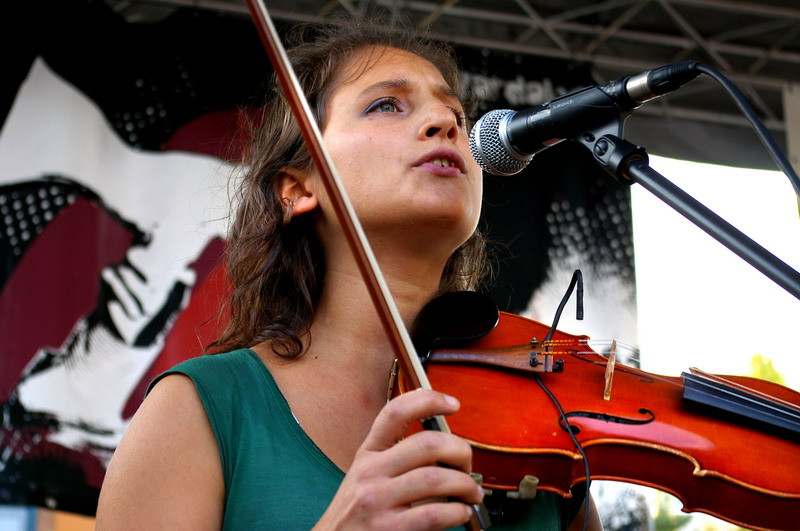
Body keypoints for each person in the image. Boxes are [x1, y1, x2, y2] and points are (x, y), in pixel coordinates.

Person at [95, 19, 602, 531]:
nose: (447, 124)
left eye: (455, 112)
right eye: (387, 105)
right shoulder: (199, 409)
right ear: (297, 188)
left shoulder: (543, 420)